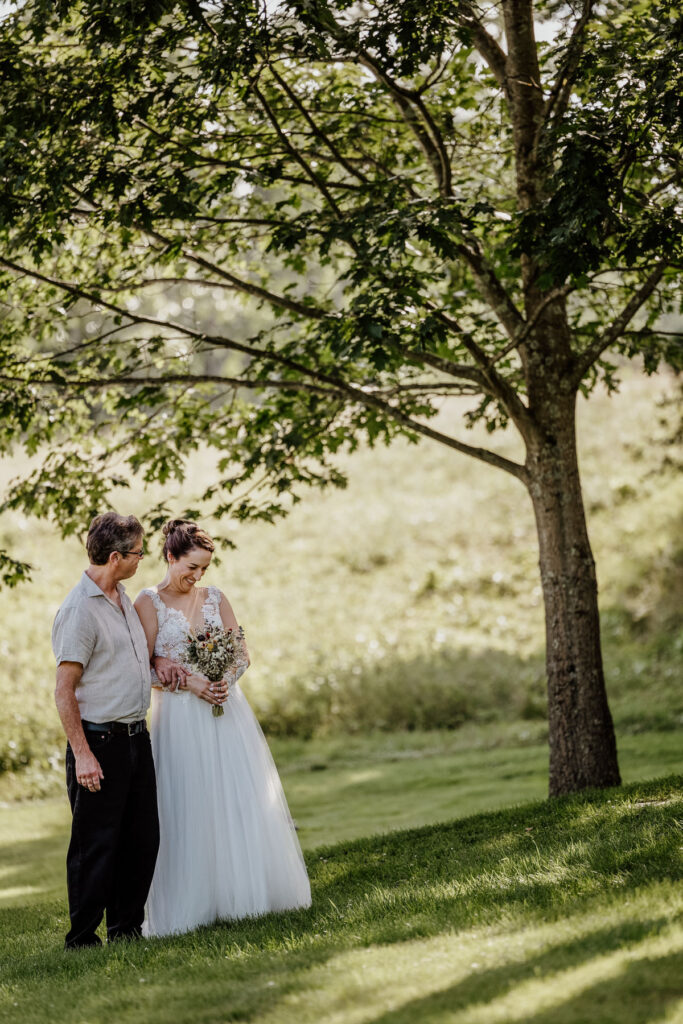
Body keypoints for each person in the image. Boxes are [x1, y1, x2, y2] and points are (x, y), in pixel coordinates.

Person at [134, 519, 311, 937]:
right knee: (190, 801)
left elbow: (241, 652)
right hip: (179, 717)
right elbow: (142, 669)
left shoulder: (215, 598)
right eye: (190, 566)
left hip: (227, 710)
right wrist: (190, 682)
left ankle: (246, 895)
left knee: (236, 797)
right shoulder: (148, 602)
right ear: (170, 556)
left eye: (203, 569)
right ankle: (194, 904)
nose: (196, 577)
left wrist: (222, 681)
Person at [52, 512, 159, 949]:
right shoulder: (79, 611)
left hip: (137, 738)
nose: (141, 559)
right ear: (116, 557)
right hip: (100, 743)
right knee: (95, 847)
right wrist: (83, 754)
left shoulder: (122, 597)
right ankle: (81, 939)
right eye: (137, 552)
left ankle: (127, 931)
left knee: (141, 839)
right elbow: (64, 690)